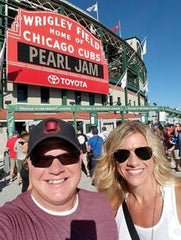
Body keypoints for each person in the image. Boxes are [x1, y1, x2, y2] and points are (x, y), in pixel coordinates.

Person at [0, 118, 118, 240]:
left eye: (67, 157)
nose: (56, 170)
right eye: (42, 159)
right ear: (29, 164)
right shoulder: (11, 221)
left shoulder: (102, 204)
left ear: (79, 160)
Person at [94, 120, 181, 240]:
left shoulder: (177, 197)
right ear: (113, 161)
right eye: (122, 155)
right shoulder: (112, 204)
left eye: (142, 152)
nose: (133, 163)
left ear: (155, 156)